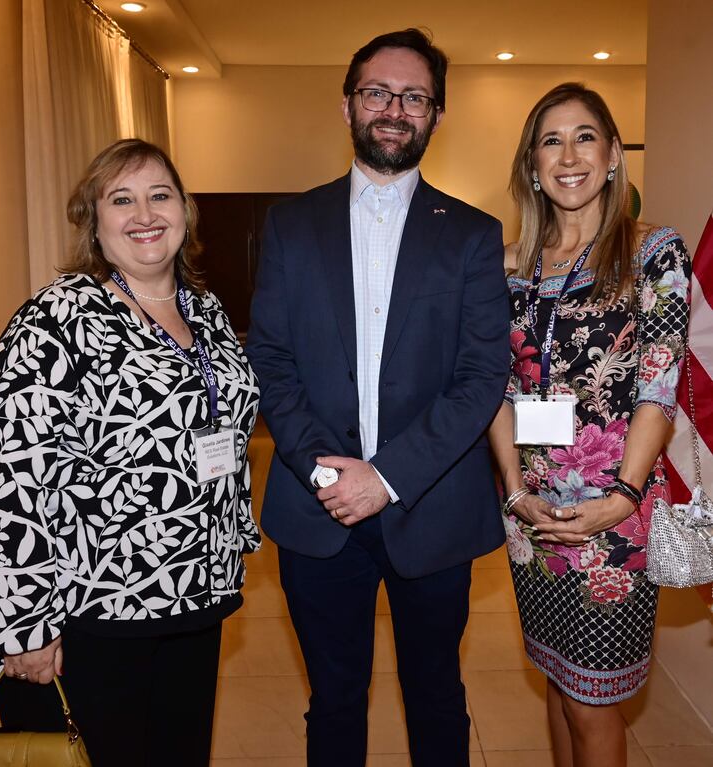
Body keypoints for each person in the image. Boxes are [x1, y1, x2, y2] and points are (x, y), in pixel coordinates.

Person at [246, 28, 509, 767]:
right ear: (347, 105)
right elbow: (270, 357)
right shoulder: (290, 224)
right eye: (377, 92)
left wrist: (386, 476)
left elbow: (481, 374)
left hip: (431, 509)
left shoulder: (472, 234)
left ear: (435, 115)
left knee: (435, 695)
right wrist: (329, 473)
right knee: (332, 699)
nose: (394, 108)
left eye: (414, 97)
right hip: (315, 508)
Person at [0, 138, 260, 767]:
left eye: (160, 195)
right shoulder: (56, 321)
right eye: (121, 199)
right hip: (95, 614)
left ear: (187, 211)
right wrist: (24, 627)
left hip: (194, 599)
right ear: (93, 222)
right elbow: (6, 481)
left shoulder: (204, 313)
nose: (144, 214)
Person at [489, 83, 691, 767]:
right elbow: (495, 388)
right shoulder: (507, 267)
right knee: (556, 671)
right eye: (551, 140)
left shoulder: (652, 251)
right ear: (532, 165)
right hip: (532, 515)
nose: (568, 155)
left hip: (615, 515)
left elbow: (658, 386)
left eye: (584, 137)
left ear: (611, 156)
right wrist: (515, 489)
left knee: (593, 697)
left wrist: (624, 496)